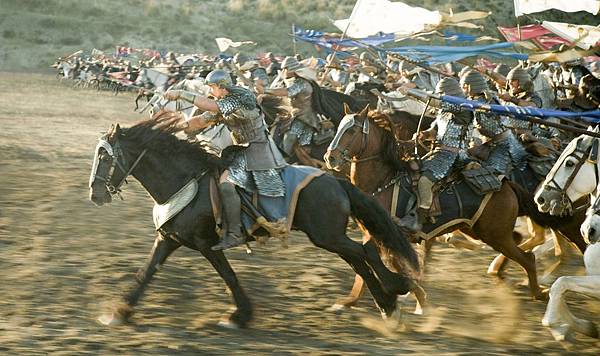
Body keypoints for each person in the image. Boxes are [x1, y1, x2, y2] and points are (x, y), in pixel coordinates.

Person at [164, 69, 287, 250]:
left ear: (221, 87)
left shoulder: (240, 98)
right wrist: (171, 128)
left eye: (212, 87)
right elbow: (201, 121)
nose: (210, 91)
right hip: (239, 150)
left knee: (226, 184)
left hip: (256, 149)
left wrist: (181, 94)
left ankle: (235, 233)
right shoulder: (224, 101)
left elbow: (212, 107)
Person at [398, 77, 473, 231]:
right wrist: (424, 135)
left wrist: (411, 92)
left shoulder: (463, 108)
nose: (440, 97)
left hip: (454, 155)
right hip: (439, 152)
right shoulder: (444, 112)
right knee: (411, 170)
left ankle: (419, 219)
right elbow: (435, 131)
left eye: (442, 94)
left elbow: (436, 102)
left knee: (425, 181)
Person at [255, 56, 330, 166]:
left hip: (305, 119)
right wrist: (264, 95)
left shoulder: (301, 83)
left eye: (284, 69)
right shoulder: (295, 81)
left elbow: (287, 92)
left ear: (290, 69)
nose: (282, 72)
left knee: (290, 138)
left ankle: (283, 162)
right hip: (295, 116)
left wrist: (265, 90)